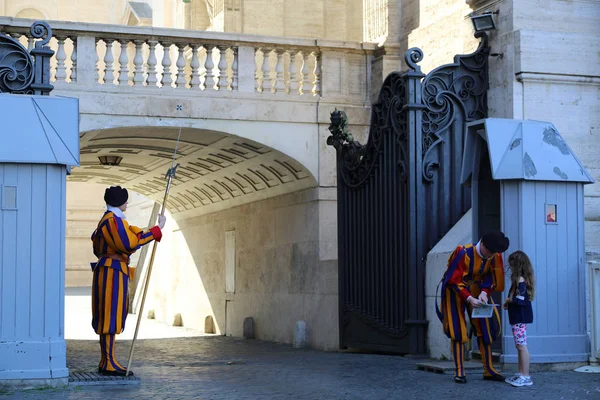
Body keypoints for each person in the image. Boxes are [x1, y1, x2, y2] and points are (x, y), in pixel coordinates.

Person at [90, 186, 166, 376]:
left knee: (110, 314)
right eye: (125, 199)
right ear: (119, 201)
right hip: (112, 271)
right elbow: (129, 243)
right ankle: (108, 362)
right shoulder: (112, 221)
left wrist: (155, 229)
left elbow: (131, 237)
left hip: (110, 269)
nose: (127, 202)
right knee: (110, 315)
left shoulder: (110, 220)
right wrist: (156, 231)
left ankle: (107, 360)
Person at [436, 230, 509, 384]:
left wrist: (484, 292)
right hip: (455, 291)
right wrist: (468, 298)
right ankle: (459, 372)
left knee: (486, 329)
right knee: (458, 330)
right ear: (482, 244)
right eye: (489, 252)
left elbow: (489, 277)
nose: (491, 256)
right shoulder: (463, 253)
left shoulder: (494, 255)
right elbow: (453, 280)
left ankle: (489, 370)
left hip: (477, 290)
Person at [503, 250, 535, 387]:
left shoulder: (520, 280)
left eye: (512, 266)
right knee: (519, 346)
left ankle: (526, 376)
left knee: (521, 346)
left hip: (520, 318)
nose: (510, 268)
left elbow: (521, 300)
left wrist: (509, 300)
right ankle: (521, 373)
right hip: (518, 317)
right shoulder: (520, 280)